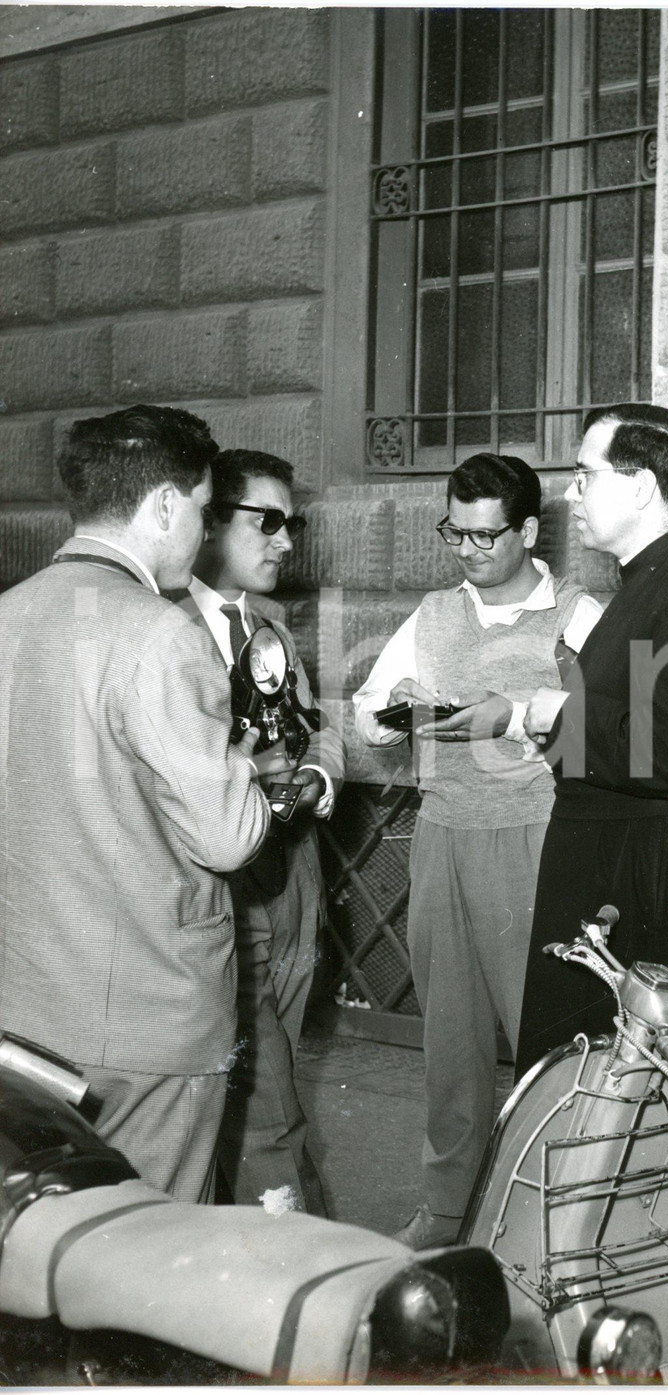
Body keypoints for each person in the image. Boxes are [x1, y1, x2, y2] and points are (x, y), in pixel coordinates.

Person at [517, 403, 668, 1353]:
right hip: (623, 879)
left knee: (653, 1143)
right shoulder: (652, 584)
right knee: (602, 1136)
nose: (573, 491)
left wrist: (548, 713)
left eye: (588, 472)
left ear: (645, 485)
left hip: (650, 901)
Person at [0, 405, 271, 1203]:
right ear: (162, 505)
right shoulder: (160, 632)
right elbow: (226, 838)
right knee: (146, 1261)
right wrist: (249, 775)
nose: (206, 533)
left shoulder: (10, 614)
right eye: (202, 508)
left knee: (50, 1246)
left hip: (27, 1006)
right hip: (147, 1025)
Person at [354, 453, 603, 1248]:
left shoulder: (578, 613)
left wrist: (524, 712)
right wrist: (391, 707)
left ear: (529, 530)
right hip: (443, 836)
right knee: (449, 1042)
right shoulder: (432, 613)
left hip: (537, 839)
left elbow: (617, 722)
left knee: (547, 1041)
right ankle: (446, 1208)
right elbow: (368, 710)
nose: (466, 550)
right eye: (453, 532)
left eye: (484, 535)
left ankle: (551, 1220)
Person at [179, 449, 342, 1215]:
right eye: (265, 522)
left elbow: (317, 729)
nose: (285, 540)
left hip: (290, 884)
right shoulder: (163, 628)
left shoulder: (269, 625)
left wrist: (317, 774)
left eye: (292, 523)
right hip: (221, 898)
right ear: (209, 523)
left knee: (259, 1098)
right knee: (269, 1110)